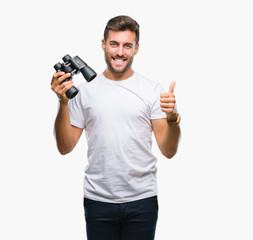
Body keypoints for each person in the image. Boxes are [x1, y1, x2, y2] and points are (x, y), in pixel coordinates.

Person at [51, 15, 181, 240]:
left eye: (127, 45)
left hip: (142, 200)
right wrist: (63, 102)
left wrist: (172, 119)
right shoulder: (84, 92)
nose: (120, 52)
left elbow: (168, 151)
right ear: (103, 44)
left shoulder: (153, 90)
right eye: (114, 44)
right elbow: (65, 147)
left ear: (136, 49)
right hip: (98, 200)